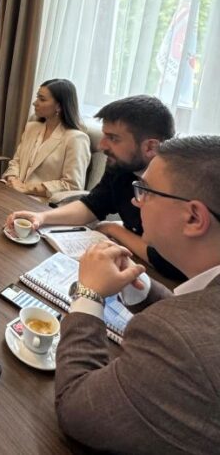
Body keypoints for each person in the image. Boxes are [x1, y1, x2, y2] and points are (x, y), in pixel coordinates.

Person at [54, 136, 220, 453]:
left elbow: (76, 409)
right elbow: (197, 320)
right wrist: (138, 285)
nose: (135, 202)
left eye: (146, 191)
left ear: (193, 217)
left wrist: (88, 295)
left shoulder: (175, 340)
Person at [6, 95, 184, 280]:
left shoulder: (179, 187)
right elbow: (93, 205)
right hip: (133, 262)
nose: (101, 145)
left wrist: (113, 228)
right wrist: (42, 217)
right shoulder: (120, 167)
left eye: (113, 138)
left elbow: (168, 262)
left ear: (150, 147)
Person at [2, 79, 90, 199]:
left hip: (40, 201)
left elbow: (72, 185)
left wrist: (26, 188)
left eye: (42, 99)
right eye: (37, 97)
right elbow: (16, 162)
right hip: (12, 191)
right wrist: (13, 180)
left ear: (59, 106)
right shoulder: (31, 128)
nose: (35, 103)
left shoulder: (76, 139)